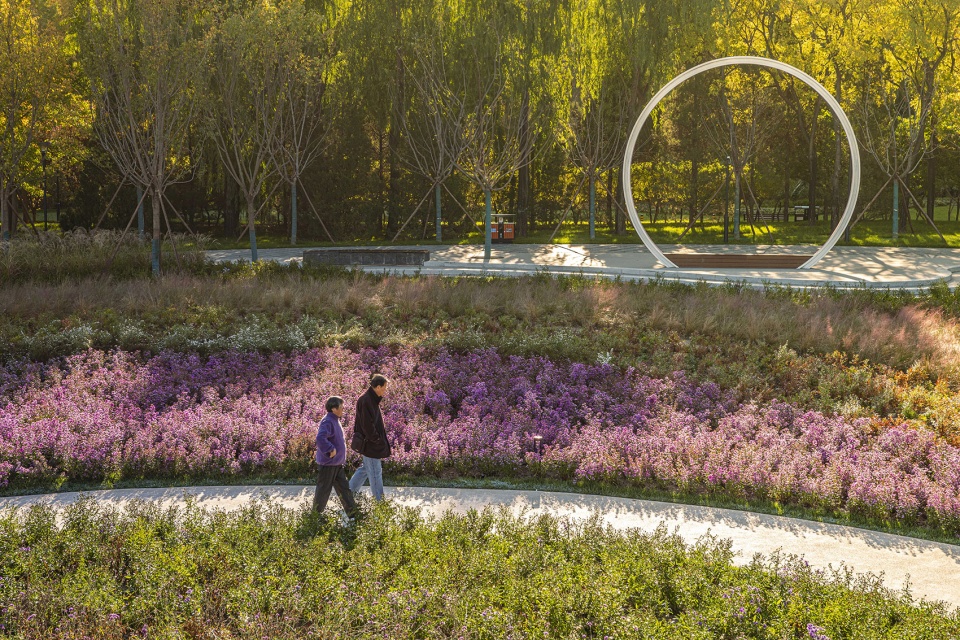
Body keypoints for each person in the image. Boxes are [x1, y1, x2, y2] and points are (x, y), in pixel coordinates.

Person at [313, 396, 358, 519]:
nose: (343, 409)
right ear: (334, 408)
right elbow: (320, 438)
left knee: (344, 490)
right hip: (328, 464)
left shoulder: (335, 419)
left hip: (337, 464)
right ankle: (314, 518)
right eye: (341, 407)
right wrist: (330, 449)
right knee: (323, 492)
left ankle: (353, 516)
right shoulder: (328, 421)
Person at [348, 373, 391, 500]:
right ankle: (380, 503)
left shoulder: (371, 399)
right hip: (370, 444)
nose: (385, 390)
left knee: (366, 469)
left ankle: (348, 493)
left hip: (370, 442)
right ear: (377, 387)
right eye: (384, 388)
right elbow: (367, 425)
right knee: (375, 473)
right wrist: (377, 439)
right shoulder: (366, 400)